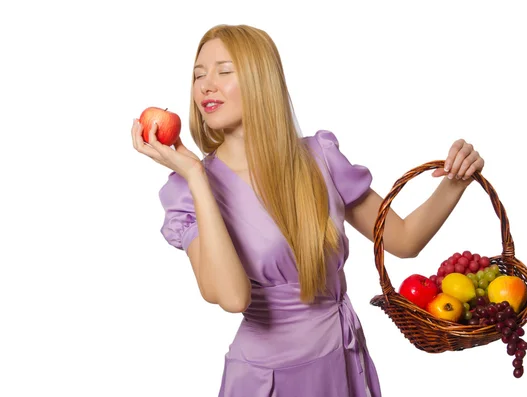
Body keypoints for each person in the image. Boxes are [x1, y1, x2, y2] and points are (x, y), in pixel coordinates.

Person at [131, 24, 485, 397]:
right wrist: (195, 176)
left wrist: (456, 182)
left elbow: (403, 239)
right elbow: (234, 298)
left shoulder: (320, 159)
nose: (205, 85)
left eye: (223, 70)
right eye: (198, 75)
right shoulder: (188, 192)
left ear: (260, 80)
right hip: (266, 380)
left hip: (342, 360)